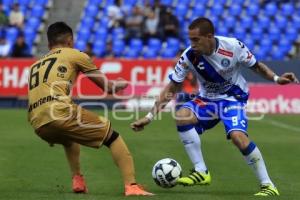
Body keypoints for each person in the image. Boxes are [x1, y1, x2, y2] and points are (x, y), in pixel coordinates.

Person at [131, 17, 299, 196]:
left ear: (209, 37)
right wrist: (149, 117)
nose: (192, 44)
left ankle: (268, 185)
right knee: (182, 115)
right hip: (207, 100)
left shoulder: (233, 46)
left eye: (196, 40)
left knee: (237, 137)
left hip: (233, 98)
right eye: (190, 40)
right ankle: (201, 171)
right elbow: (172, 87)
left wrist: (275, 78)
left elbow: (257, 67)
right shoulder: (189, 56)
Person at [27, 22, 153, 196]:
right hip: (60, 112)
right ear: (70, 40)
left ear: (49, 45)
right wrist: (120, 84)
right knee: (113, 137)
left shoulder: (35, 65)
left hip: (38, 123)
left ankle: (78, 180)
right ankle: (131, 186)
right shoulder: (75, 55)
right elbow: (107, 87)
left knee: (69, 139)